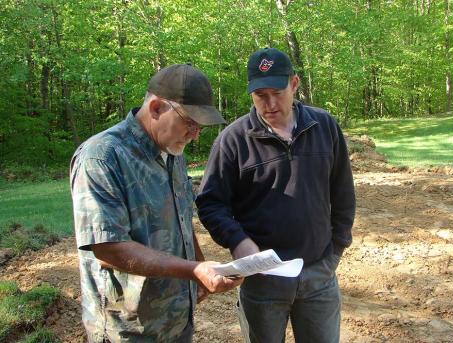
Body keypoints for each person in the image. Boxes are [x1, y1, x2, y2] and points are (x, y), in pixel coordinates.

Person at [70, 64, 243, 343]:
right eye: (189, 122)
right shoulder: (101, 157)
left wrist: (199, 263)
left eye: (199, 126)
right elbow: (107, 248)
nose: (195, 134)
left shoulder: (172, 151)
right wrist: (193, 270)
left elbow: (181, 218)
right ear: (156, 108)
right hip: (128, 331)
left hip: (176, 319)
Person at [196, 48, 355, 343]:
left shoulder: (324, 127)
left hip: (318, 274)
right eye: (260, 95)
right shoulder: (232, 140)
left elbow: (343, 192)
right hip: (262, 281)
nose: (269, 104)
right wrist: (238, 241)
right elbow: (210, 203)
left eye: (277, 93)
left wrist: (336, 249)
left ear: (294, 84)